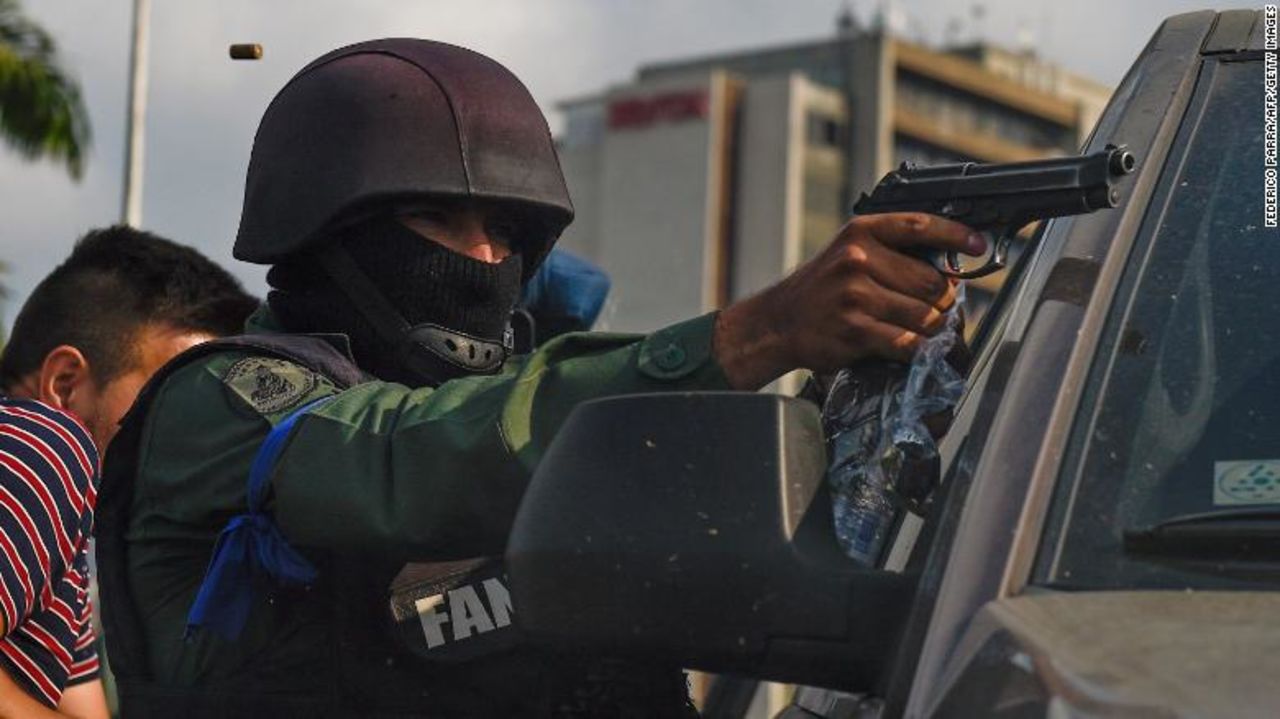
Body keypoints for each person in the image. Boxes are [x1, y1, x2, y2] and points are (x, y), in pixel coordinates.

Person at [96, 39, 978, 718]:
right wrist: (767, 330)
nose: (484, 258)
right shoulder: (228, 405)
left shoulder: (535, 398)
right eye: (437, 217)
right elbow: (415, 457)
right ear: (323, 230)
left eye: (506, 233)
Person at [0, 226, 258, 718]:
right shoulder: (44, 444)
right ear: (66, 385)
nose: (204, 442)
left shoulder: (56, 550)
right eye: (178, 402)